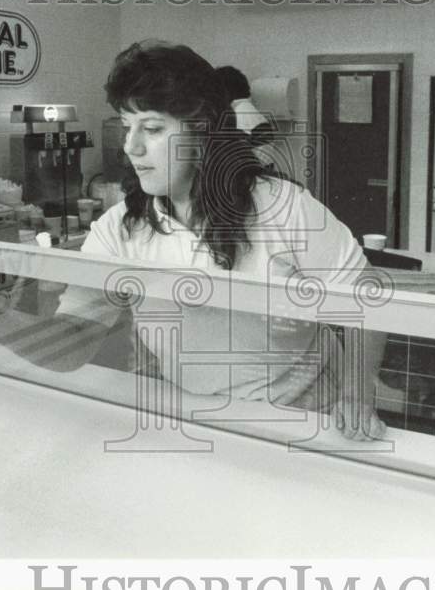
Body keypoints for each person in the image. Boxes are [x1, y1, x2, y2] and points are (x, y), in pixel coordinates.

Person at [57, 40, 386, 441]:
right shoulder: (119, 229)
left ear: (203, 131)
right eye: (128, 126)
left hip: (304, 416)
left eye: (153, 128)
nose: (131, 146)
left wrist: (357, 391)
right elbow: (73, 338)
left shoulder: (282, 207)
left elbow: (366, 298)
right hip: (196, 418)